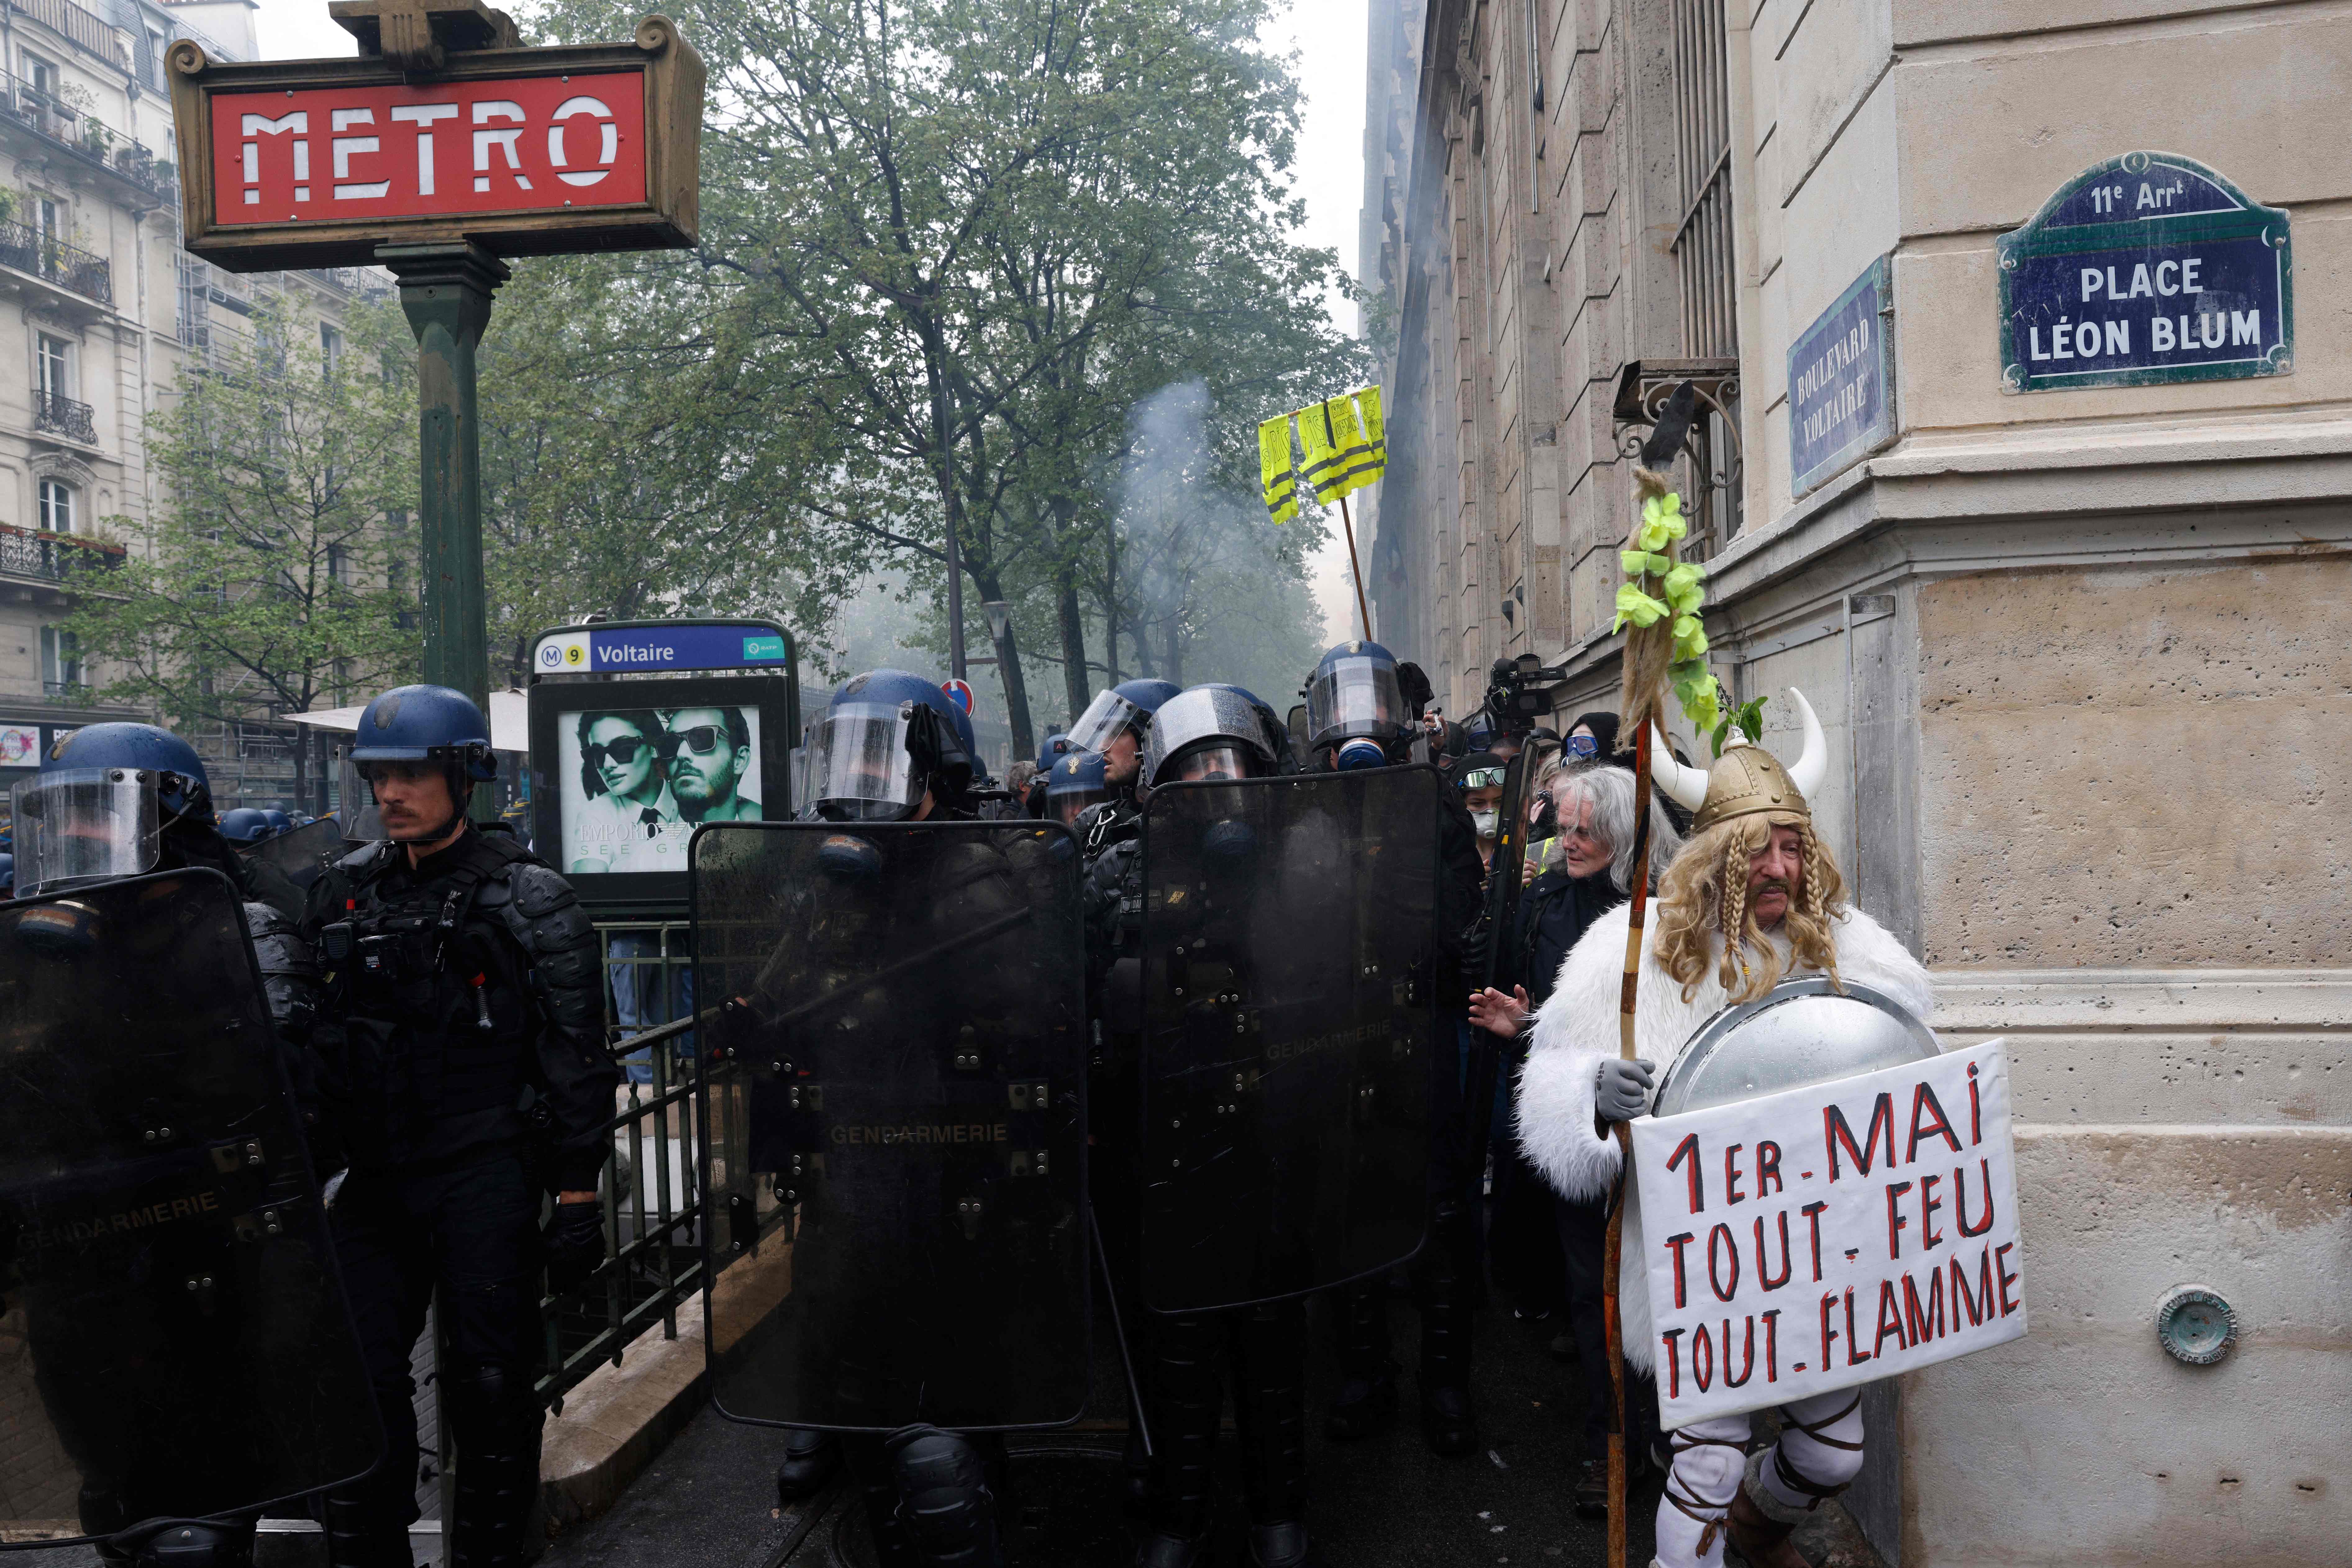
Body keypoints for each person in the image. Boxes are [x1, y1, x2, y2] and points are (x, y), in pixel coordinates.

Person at [1512, 694, 1933, 1568]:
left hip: (1817, 1258)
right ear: (1713, 860)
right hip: (1692, 1265)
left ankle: (1752, 1531)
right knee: (1703, 1463)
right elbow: (1542, 1087)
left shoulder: (1846, 946)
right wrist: (1591, 1091)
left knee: (1830, 1453)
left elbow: (1909, 1050)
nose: (1778, 866)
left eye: (1791, 847)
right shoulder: (1626, 952)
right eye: (1757, 850)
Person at [302, 684, 618, 1568]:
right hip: (376, 1180)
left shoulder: (528, 899)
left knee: (487, 1386)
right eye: (378, 777)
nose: (390, 794)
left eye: (411, 774)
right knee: (354, 1384)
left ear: (464, 775)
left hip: (486, 1172)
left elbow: (575, 1053)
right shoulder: (341, 894)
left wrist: (577, 1190)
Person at [7, 723, 335, 1566]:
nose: (80, 838)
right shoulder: (47, 944)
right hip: (84, 1260)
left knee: (202, 1507)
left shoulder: (240, 931)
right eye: (64, 817)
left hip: (207, 1258)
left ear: (168, 824)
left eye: (99, 815)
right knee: (110, 1486)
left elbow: (285, 1106)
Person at [756, 668, 1063, 1565]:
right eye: (843, 754)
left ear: (934, 771)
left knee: (961, 1340)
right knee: (855, 1323)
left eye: (878, 757)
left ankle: (973, 1511)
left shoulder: (973, 870)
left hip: (951, 1149)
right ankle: (876, 1491)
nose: (857, 779)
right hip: (856, 1140)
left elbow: (1019, 1011)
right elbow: (781, 992)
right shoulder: (834, 874)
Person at [1116, 685, 1319, 1568]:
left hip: (1273, 1136)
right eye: (1191, 770)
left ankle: (1279, 1512)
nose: (1213, 783)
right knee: (1181, 1347)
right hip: (1170, 1145)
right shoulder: (1124, 870)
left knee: (1271, 1341)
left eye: (1226, 765)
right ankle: (1179, 1514)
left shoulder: (1304, 862)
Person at [1467, 764, 1680, 1516]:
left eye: (1586, 828)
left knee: (1670, 1288)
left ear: (1624, 833)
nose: (1569, 840)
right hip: (1583, 1133)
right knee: (1597, 1297)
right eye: (1563, 825)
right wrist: (1519, 1028)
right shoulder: (1541, 903)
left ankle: (1682, 1438)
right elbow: (1547, 1040)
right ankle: (1608, 1443)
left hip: (1667, 1137)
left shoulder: (1671, 910)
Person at [1307, 642, 1489, 1461]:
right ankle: (1363, 1375)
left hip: (1421, 1034)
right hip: (1339, 1044)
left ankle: (1445, 1382)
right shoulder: (1305, 811)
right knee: (1350, 1209)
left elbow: (1456, 931)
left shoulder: (1437, 807)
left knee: (1442, 1216)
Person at [568, 708, 683, 873]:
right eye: (597, 754)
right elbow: (587, 888)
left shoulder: (689, 800)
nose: (608, 765)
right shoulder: (596, 814)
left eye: (622, 748)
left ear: (653, 747)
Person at [1067, 678, 1182, 796]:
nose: (1102, 747)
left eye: (1116, 734)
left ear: (1152, 740)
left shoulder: (1196, 813)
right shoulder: (1106, 815)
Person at [664, 705, 761, 822]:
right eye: (671, 743)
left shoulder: (767, 833)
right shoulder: (654, 840)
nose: (681, 754)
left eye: (701, 739)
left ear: (740, 760)